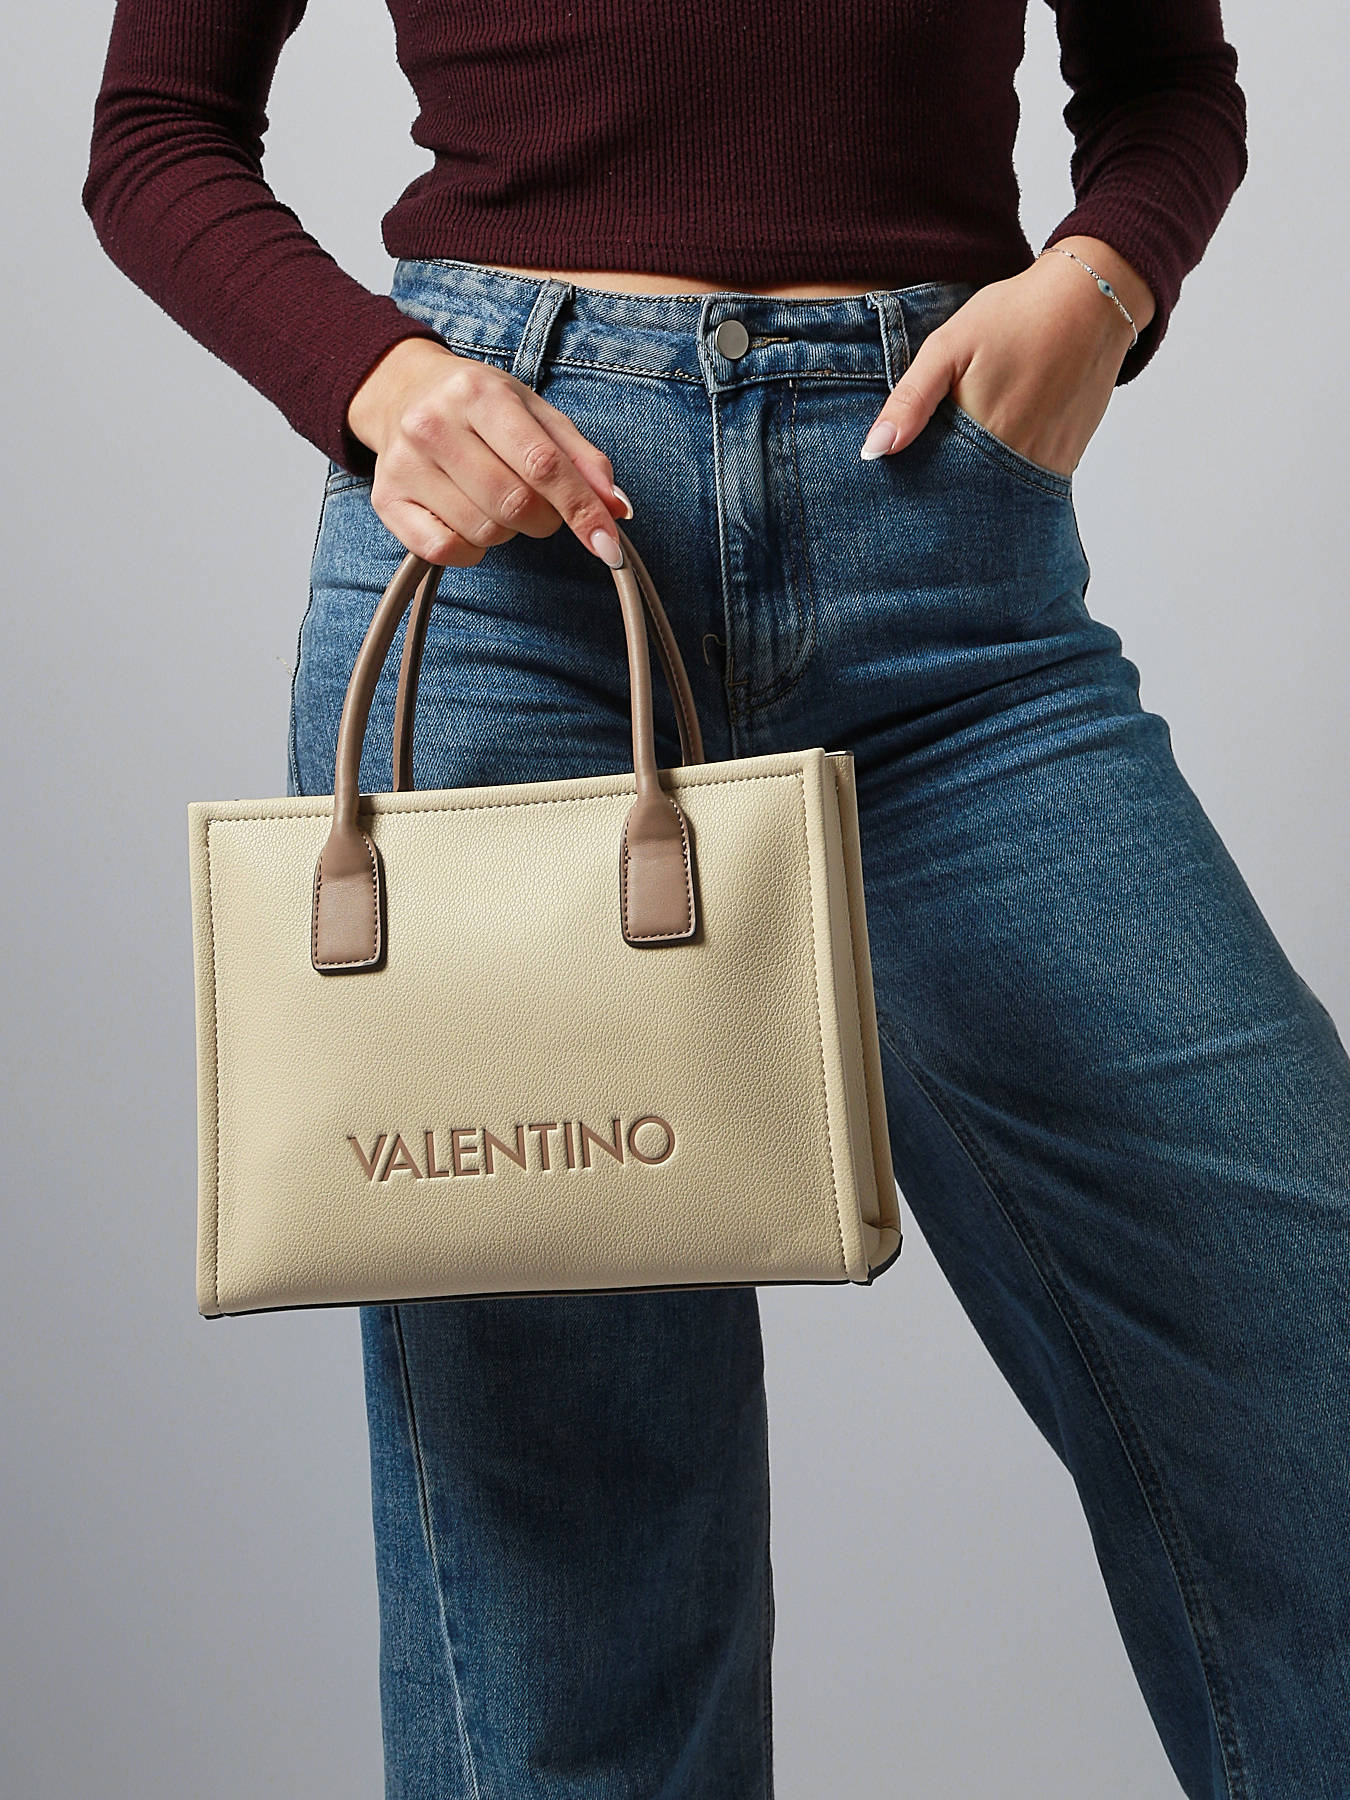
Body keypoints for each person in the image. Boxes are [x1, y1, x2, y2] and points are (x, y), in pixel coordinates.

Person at [81, 2, 1350, 1795]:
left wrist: (1101, 285)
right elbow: (153, 132)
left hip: (948, 576)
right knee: (574, 1585)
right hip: (510, 578)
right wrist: (377, 380)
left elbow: (1166, 90)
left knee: (1299, 1356)